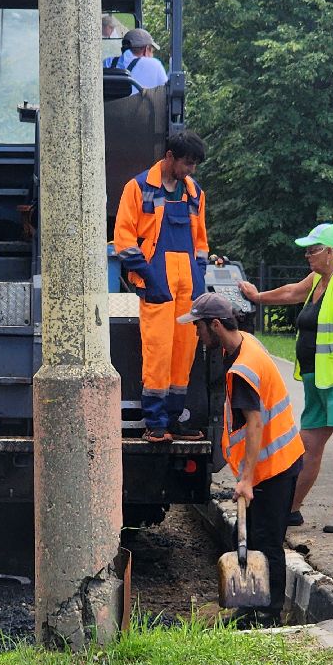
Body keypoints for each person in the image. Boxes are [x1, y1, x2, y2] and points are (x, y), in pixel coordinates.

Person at [238, 222, 333, 534]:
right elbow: (292, 291)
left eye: (313, 250)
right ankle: (290, 509)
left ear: (330, 252)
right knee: (307, 446)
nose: (307, 255)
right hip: (320, 378)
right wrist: (257, 296)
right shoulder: (320, 278)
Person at [180, 292, 304, 623]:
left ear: (215, 325)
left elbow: (255, 424)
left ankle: (269, 613)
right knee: (252, 538)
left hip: (275, 467)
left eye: (198, 327)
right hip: (273, 463)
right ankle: (251, 606)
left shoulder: (243, 369)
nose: (196, 334)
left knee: (268, 542)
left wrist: (247, 479)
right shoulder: (243, 344)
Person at [113, 129, 213, 442]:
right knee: (158, 351)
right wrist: (148, 275)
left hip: (188, 283)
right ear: (170, 156)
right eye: (187, 163)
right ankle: (155, 423)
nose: (191, 170)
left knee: (184, 352)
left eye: (194, 164)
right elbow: (123, 239)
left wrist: (199, 276)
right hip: (158, 280)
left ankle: (174, 420)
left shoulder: (195, 193)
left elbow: (201, 243)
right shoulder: (139, 187)